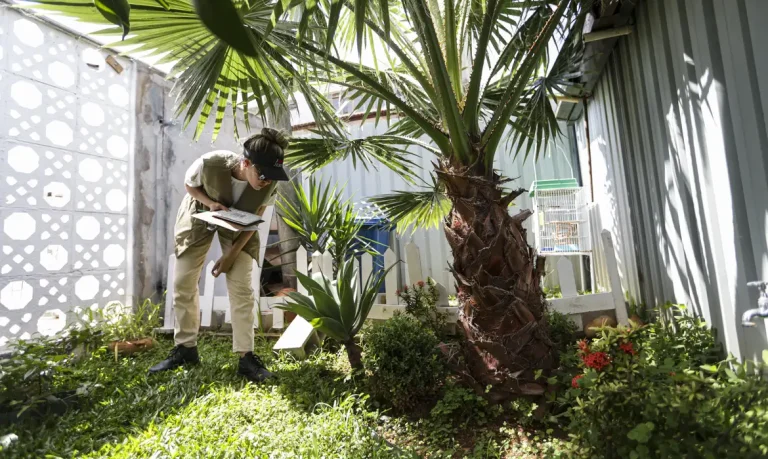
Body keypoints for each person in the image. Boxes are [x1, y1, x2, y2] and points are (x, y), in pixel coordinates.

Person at [149, 128, 290, 382]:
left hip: (240, 224)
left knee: (242, 288)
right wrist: (210, 202)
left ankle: (246, 358)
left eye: (272, 175)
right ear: (246, 163)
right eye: (263, 174)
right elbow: (189, 186)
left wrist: (231, 256)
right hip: (201, 212)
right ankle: (185, 349)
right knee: (183, 282)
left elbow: (255, 217)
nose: (267, 180)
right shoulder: (210, 163)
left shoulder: (269, 184)